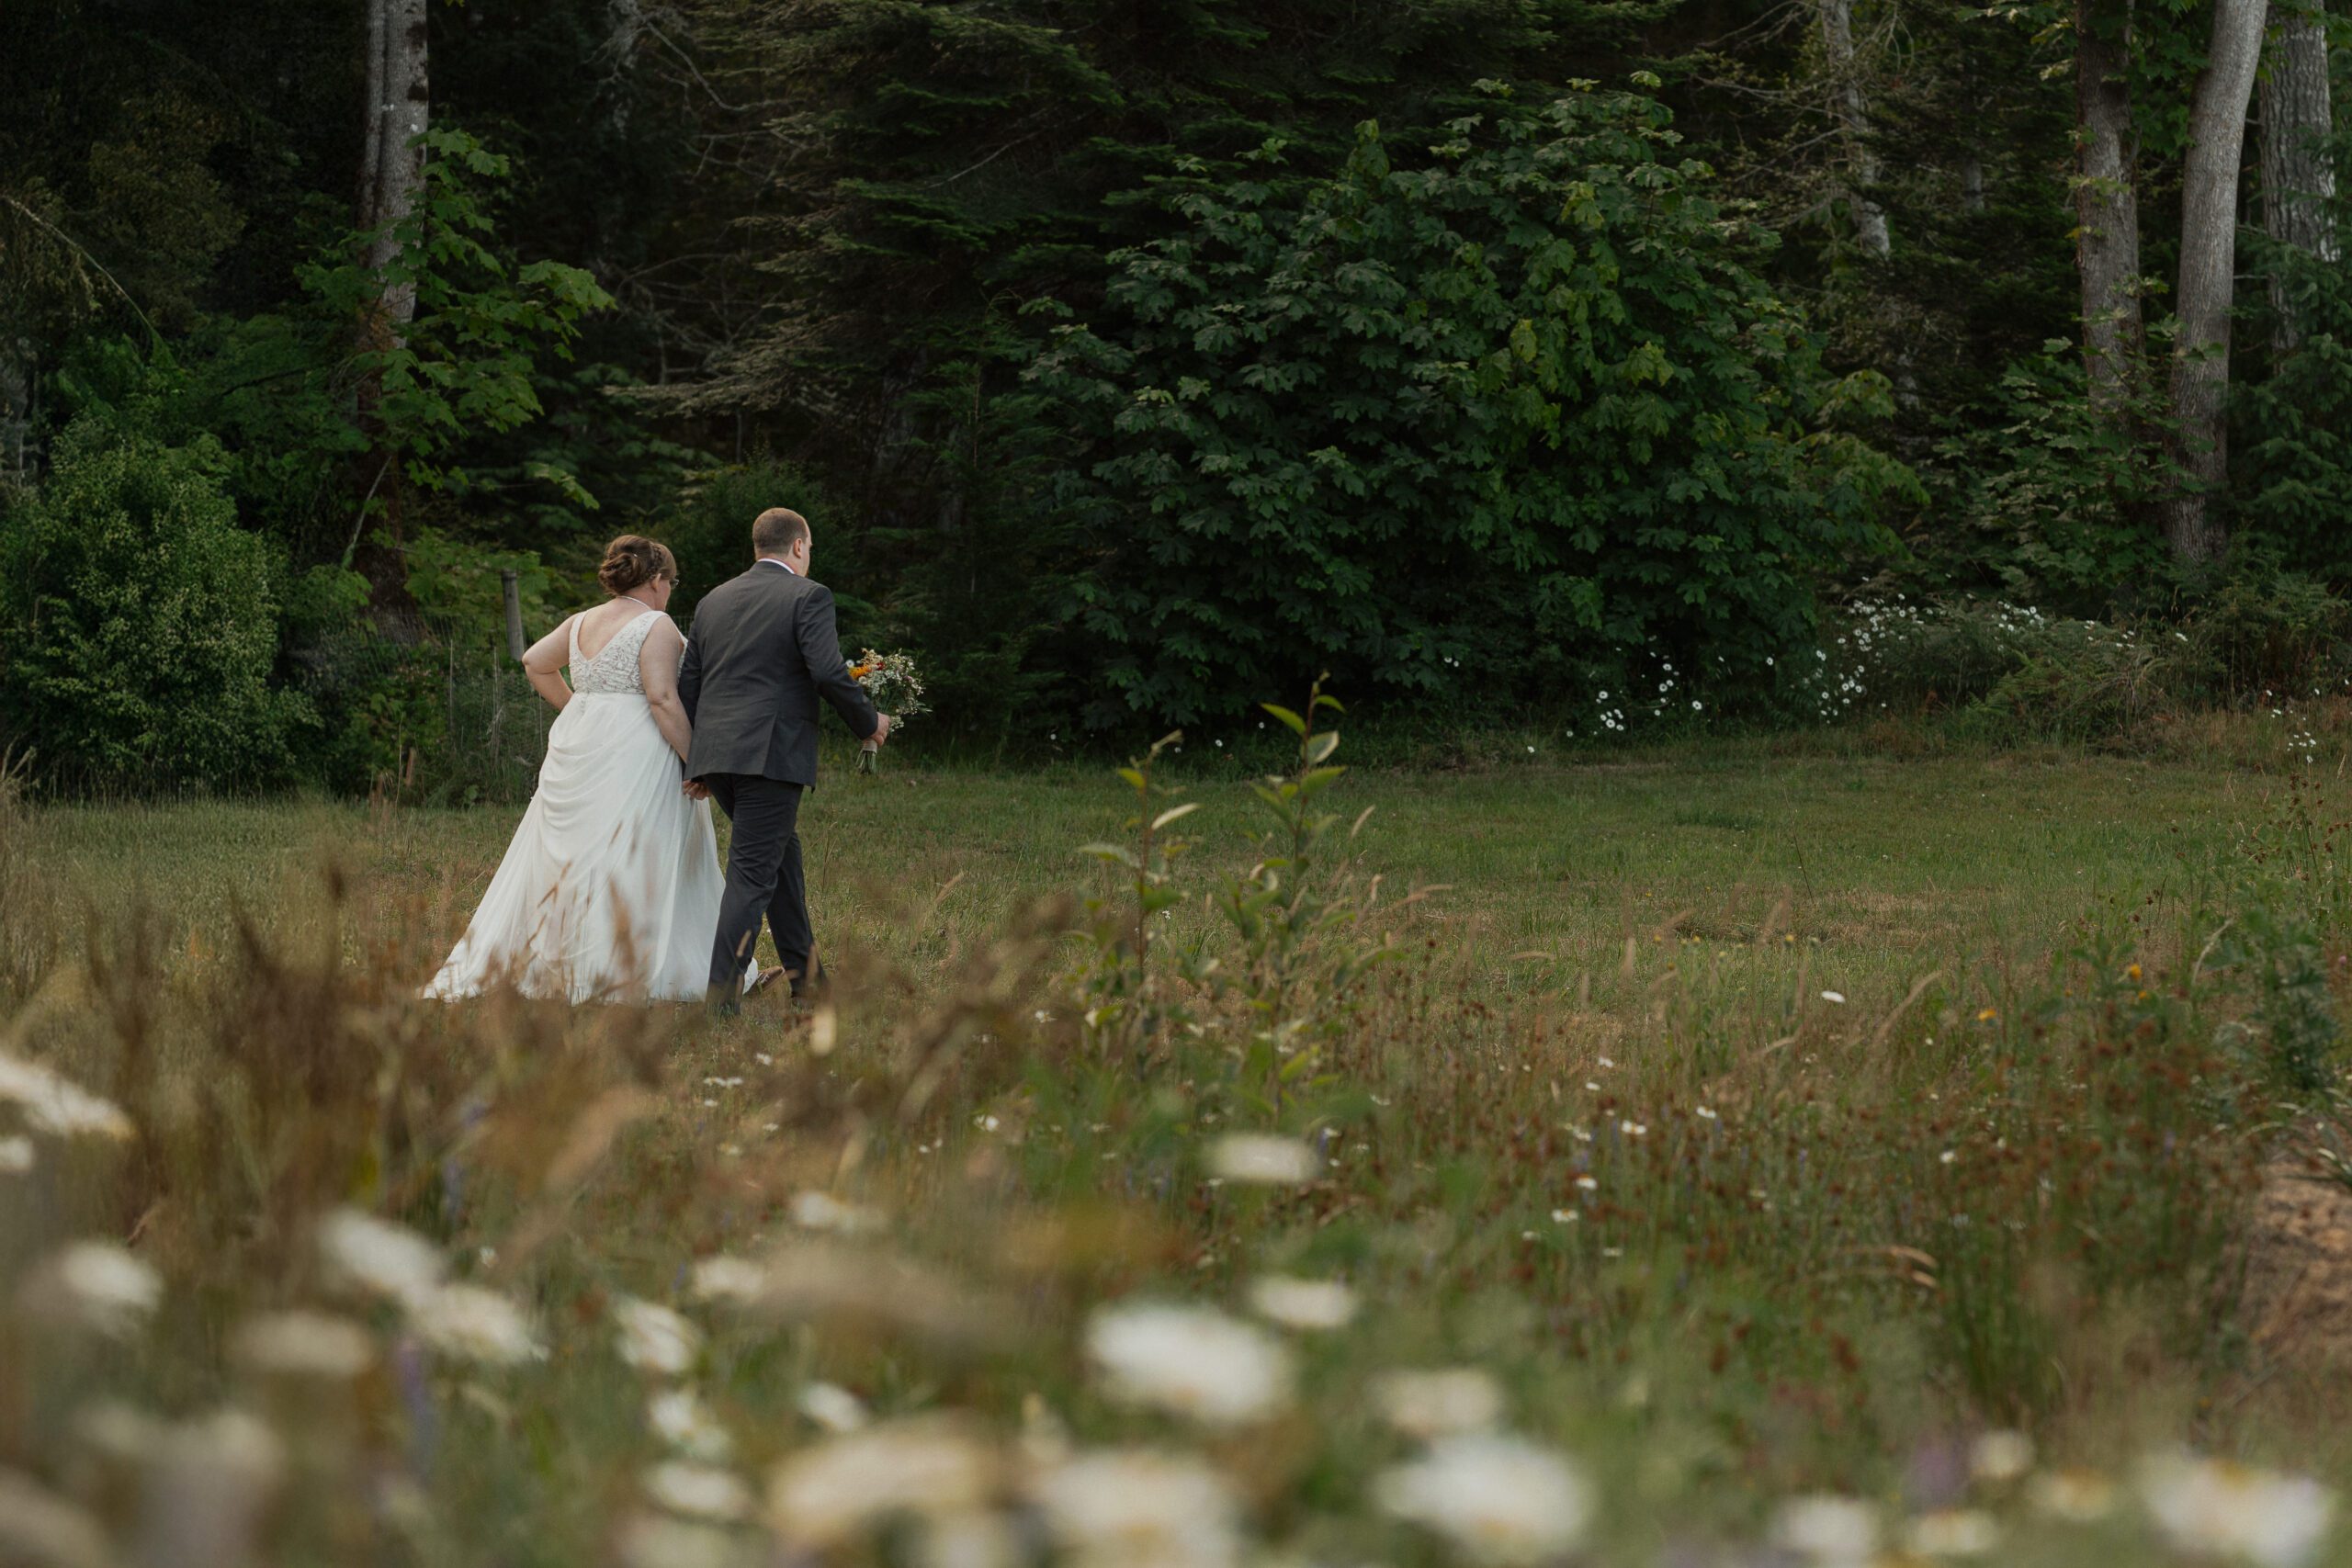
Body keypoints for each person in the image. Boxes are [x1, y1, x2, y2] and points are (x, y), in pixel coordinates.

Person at [423, 536, 749, 1002]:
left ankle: (560, 956)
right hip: (639, 750)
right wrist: (697, 761)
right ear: (656, 580)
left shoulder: (581, 621)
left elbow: (535, 663)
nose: (671, 590)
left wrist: (579, 706)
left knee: (577, 855)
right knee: (638, 849)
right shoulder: (655, 624)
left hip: (583, 741)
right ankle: (622, 965)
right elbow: (661, 698)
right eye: (671, 582)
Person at [678, 506, 890, 1010]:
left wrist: (696, 760)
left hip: (719, 755)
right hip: (770, 755)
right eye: (810, 548)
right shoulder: (809, 596)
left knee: (780, 863)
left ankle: (810, 985)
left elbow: (690, 682)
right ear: (798, 546)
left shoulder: (714, 600)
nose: (809, 556)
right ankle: (720, 1001)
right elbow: (829, 672)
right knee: (752, 876)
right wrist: (870, 723)